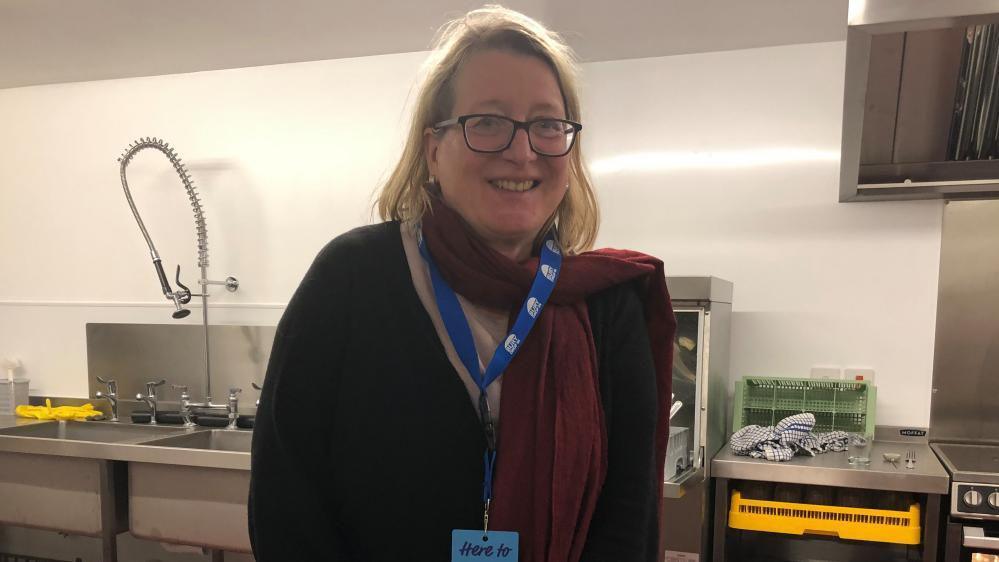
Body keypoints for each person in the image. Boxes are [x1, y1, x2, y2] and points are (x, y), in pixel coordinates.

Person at [249, 6, 676, 562]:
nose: (522, 152)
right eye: (488, 122)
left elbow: (627, 521)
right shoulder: (350, 280)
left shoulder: (605, 305)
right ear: (432, 150)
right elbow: (287, 504)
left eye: (548, 125)